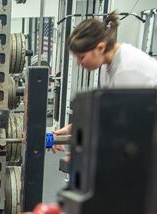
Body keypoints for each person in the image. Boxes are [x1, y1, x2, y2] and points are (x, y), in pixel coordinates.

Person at [53, 11, 157, 150]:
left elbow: (123, 126)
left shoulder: (127, 68)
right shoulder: (106, 66)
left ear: (100, 48)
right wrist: (72, 128)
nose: (79, 63)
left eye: (81, 57)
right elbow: (106, 112)